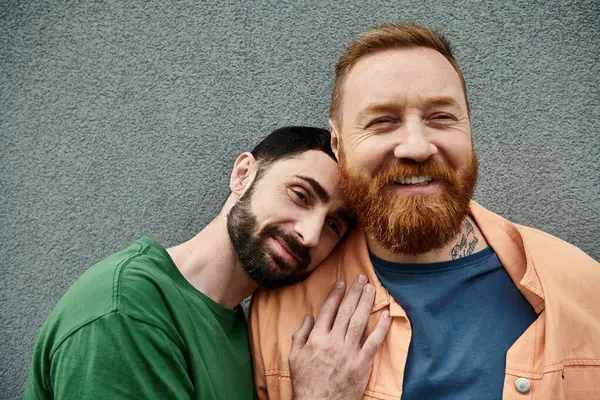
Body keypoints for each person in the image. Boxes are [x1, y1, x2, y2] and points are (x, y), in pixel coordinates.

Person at [249, 23, 600, 400]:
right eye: (383, 121)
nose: (416, 147)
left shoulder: (582, 288)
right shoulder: (280, 312)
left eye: (441, 118)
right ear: (338, 144)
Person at [24, 126, 392, 400]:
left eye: (333, 225)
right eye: (300, 195)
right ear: (243, 174)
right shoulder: (128, 311)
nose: (310, 234)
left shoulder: (235, 327)